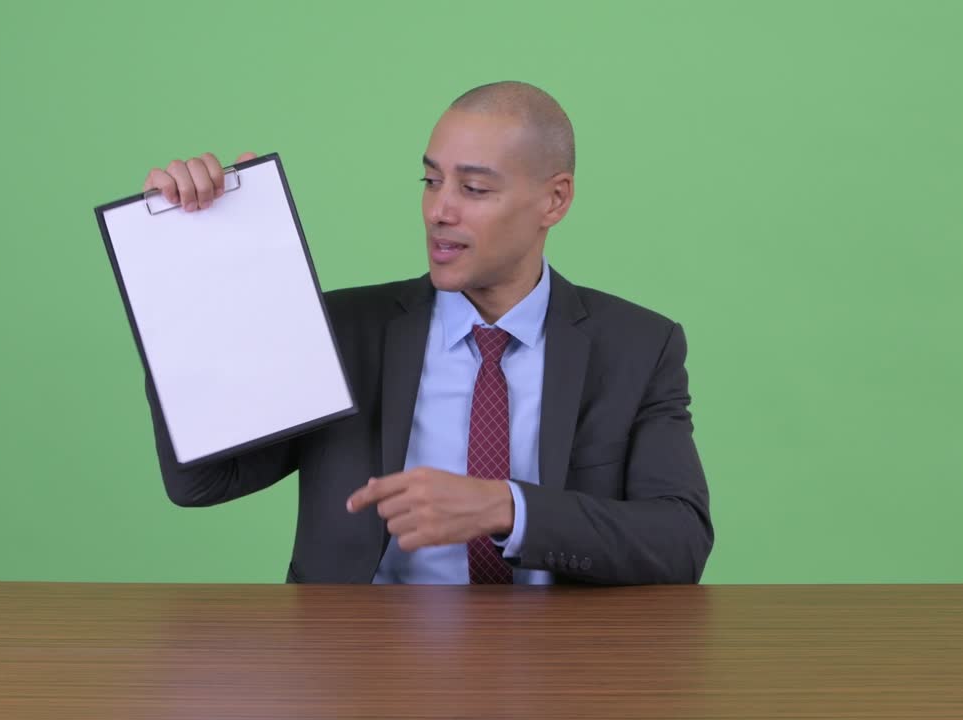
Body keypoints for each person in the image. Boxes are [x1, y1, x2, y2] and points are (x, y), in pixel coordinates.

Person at [140, 81, 713, 585]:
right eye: (431, 179)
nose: (439, 210)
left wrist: (507, 507)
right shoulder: (341, 332)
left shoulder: (639, 346)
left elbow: (679, 540)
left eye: (474, 189)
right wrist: (193, 268)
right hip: (359, 665)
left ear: (554, 199)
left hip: (557, 663)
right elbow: (204, 480)